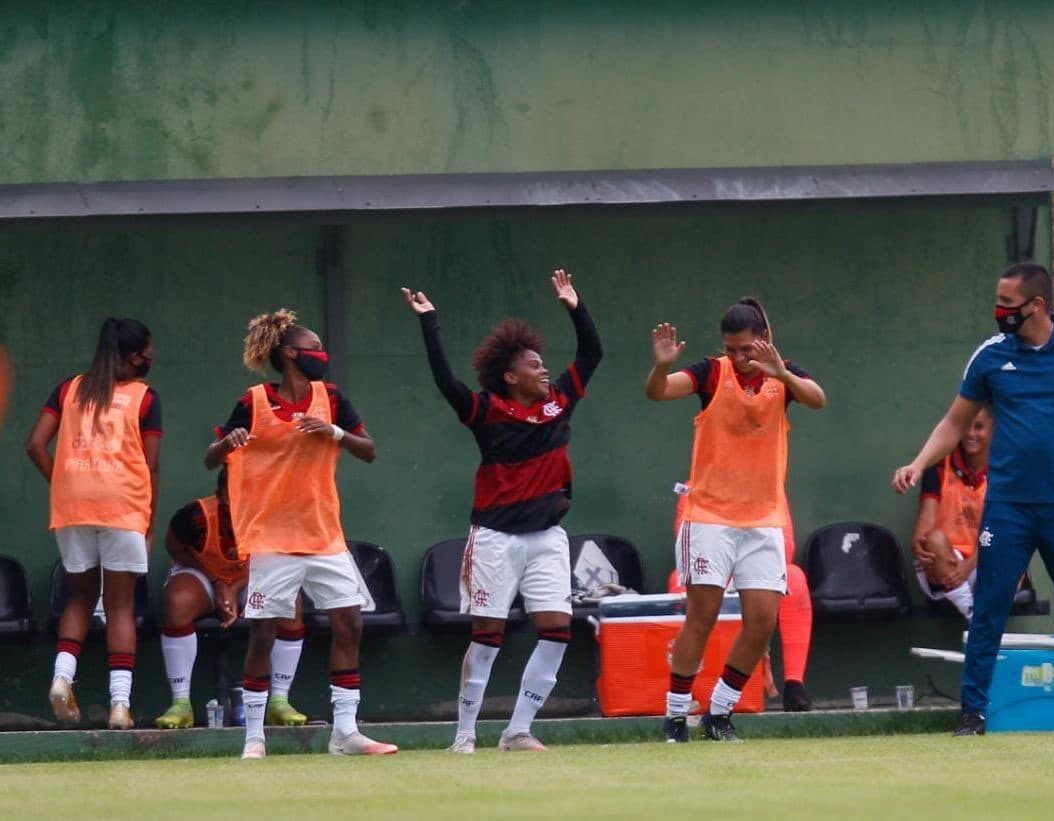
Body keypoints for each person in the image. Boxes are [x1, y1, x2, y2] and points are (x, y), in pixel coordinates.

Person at [893, 263, 1054, 736]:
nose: (999, 312)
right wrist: (918, 464)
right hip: (1008, 509)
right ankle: (973, 715)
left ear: (1036, 305)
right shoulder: (990, 356)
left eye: (1007, 304)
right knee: (989, 611)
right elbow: (954, 423)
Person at [402, 269, 602, 754]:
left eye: (543, 364)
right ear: (512, 377)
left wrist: (576, 306)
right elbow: (446, 382)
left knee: (556, 631)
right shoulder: (486, 410)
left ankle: (517, 731)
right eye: (534, 366)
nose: (544, 370)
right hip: (495, 537)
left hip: (548, 536)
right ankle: (465, 734)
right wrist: (429, 323)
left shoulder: (559, 404)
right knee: (488, 633)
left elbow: (591, 353)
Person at [204, 309, 396, 759]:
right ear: (290, 353)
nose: (321, 355)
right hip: (271, 537)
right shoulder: (252, 401)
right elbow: (211, 459)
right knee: (264, 635)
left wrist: (334, 432)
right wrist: (226, 443)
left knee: (349, 624)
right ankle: (254, 736)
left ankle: (345, 732)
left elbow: (368, 450)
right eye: (313, 348)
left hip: (324, 533)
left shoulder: (330, 396)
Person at [646, 298, 826, 742]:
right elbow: (658, 391)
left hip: (764, 519)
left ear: (763, 341)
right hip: (708, 516)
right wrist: (660, 366)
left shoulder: (785, 376)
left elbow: (818, 400)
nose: (739, 357)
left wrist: (781, 373)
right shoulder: (710, 373)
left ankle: (720, 713)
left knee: (762, 621)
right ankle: (674, 717)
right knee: (702, 615)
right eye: (731, 349)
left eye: (746, 348)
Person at [25, 318, 161, 730]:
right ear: (132, 356)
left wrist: (65, 485)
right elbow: (151, 466)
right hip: (123, 506)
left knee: (78, 599)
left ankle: (61, 678)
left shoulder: (69, 389)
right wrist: (148, 521)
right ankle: (120, 704)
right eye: (146, 354)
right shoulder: (145, 397)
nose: (149, 360)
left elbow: (34, 444)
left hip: (73, 508)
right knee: (119, 605)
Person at [155, 468, 308, 729]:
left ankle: (279, 701)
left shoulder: (271, 514)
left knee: (289, 603)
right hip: (202, 574)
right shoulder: (195, 517)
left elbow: (279, 560)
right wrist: (217, 583)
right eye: (233, 494)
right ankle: (181, 704)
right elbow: (174, 547)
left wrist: (235, 587)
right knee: (178, 602)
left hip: (252, 577)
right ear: (220, 493)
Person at [666, 497, 814, 712]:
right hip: (716, 564)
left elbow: (786, 548)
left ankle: (793, 684)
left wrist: (745, 578)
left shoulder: (770, 488)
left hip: (750, 567)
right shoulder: (696, 488)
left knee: (794, 579)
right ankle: (681, 705)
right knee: (681, 585)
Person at [909, 408, 993, 621]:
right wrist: (919, 543)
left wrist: (969, 566)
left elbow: (1003, 531)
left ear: (994, 429)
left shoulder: (1003, 471)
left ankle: (978, 617)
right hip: (946, 562)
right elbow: (925, 527)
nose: (971, 434)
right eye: (966, 426)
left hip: (984, 561)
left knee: (1009, 544)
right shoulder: (939, 466)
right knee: (932, 540)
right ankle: (972, 614)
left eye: (979, 427)